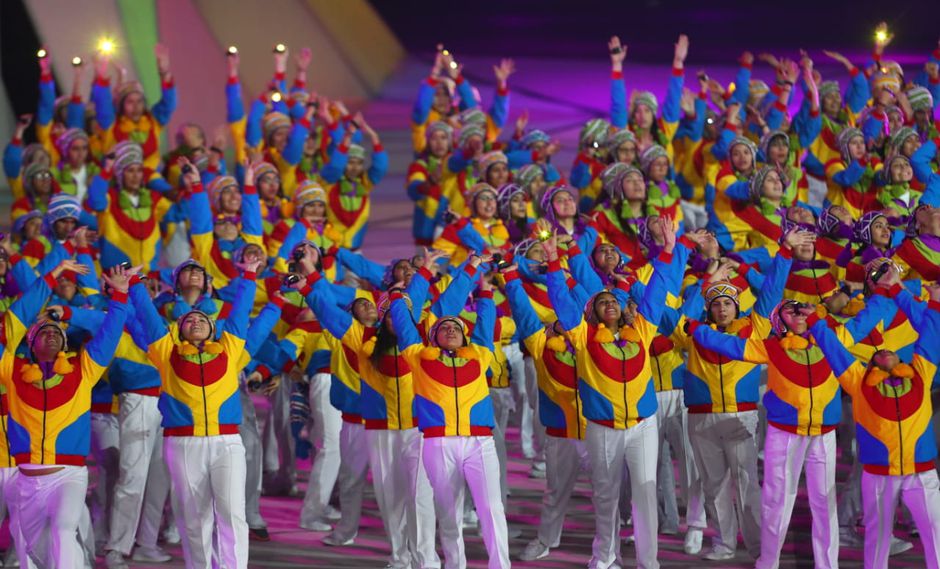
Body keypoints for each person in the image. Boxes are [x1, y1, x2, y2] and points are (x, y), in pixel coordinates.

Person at [389, 263, 510, 569]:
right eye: (444, 327)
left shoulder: (480, 353)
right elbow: (403, 323)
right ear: (433, 337)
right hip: (438, 443)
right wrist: (398, 294)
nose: (451, 330)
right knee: (449, 514)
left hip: (480, 442)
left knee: (491, 509)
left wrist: (484, 290)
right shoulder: (417, 356)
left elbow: (486, 322)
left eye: (456, 327)